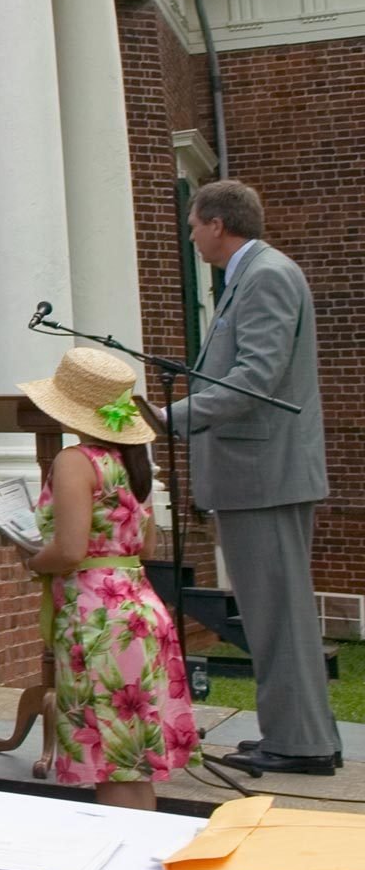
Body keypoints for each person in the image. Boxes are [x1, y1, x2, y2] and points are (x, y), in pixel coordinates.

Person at [148, 180, 339, 777]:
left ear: (217, 224)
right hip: (258, 474)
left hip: (266, 475)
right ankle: (301, 735)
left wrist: (172, 417)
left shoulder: (267, 276)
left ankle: (303, 745)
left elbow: (256, 376)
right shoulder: (250, 276)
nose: (190, 234)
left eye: (193, 223)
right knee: (272, 615)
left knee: (278, 615)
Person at [16, 349, 198, 808]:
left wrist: (34, 559)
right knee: (132, 758)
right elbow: (149, 548)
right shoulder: (134, 460)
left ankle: (121, 859)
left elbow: (71, 549)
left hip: (99, 619)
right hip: (139, 608)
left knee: (112, 760)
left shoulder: (76, 460)